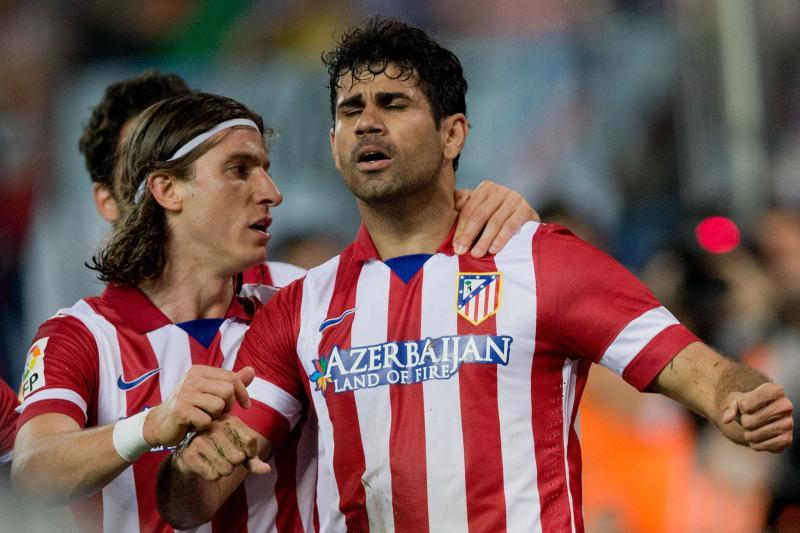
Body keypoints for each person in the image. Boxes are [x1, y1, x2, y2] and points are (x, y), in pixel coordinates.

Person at [158, 17, 794, 532]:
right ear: (332, 144)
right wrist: (192, 463)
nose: (367, 122)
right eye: (350, 111)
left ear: (453, 132)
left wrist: (738, 398)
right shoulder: (301, 308)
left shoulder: (542, 263)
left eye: (393, 103)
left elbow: (693, 368)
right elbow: (192, 502)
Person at [12, 85, 540, 533]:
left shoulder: (303, 301)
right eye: (240, 170)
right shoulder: (80, 334)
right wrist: (150, 426)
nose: (271, 192)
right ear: (168, 190)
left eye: (265, 169)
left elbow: (430, 314)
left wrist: (504, 222)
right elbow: (33, 470)